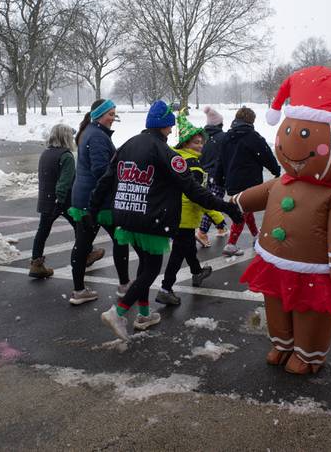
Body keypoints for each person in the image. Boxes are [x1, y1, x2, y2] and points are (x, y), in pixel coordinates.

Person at [237, 66, 331, 374]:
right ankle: (281, 344)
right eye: (287, 132)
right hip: (275, 262)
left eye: (301, 134)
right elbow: (257, 195)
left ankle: (309, 353)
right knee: (275, 306)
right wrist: (234, 202)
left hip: (312, 268)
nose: (290, 142)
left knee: (309, 310)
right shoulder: (283, 181)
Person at [92, 101, 243, 341]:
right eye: (169, 127)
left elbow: (106, 179)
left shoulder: (128, 145)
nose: (171, 131)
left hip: (126, 215)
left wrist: (93, 207)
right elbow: (194, 190)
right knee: (151, 268)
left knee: (143, 265)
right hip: (151, 218)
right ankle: (118, 312)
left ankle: (143, 314)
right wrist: (226, 208)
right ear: (163, 126)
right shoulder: (167, 154)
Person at [156, 113, 225, 306]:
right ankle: (165, 288)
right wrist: (217, 217)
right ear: (186, 143)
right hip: (185, 216)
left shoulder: (175, 159)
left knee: (186, 247)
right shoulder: (193, 165)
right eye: (196, 142)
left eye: (202, 142)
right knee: (178, 253)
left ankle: (196, 273)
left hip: (171, 213)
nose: (200, 146)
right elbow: (198, 196)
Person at [67, 99, 129, 305]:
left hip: (84, 198)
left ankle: (78, 290)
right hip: (97, 201)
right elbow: (101, 170)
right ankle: (124, 285)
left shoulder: (90, 133)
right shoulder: (97, 137)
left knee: (82, 245)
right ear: (99, 115)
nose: (113, 118)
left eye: (114, 114)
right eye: (110, 114)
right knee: (120, 239)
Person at [214, 107, 281, 256]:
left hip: (232, 181)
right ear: (251, 121)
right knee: (243, 210)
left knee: (245, 209)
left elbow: (220, 160)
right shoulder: (253, 137)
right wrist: (276, 170)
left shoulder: (227, 137)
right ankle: (231, 244)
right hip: (250, 181)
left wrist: (219, 179)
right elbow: (266, 155)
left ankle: (256, 236)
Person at [29, 124, 78, 277]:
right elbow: (64, 183)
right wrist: (60, 201)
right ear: (65, 138)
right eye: (71, 136)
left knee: (43, 231)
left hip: (47, 199)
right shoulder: (66, 156)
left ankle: (36, 263)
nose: (73, 139)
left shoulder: (46, 153)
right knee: (81, 227)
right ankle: (86, 254)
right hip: (62, 201)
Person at [196, 106, 229, 247]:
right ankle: (202, 232)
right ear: (219, 124)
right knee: (213, 204)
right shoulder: (223, 137)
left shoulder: (202, 137)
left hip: (204, 174)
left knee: (208, 201)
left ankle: (221, 227)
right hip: (217, 174)